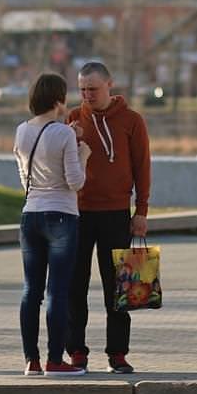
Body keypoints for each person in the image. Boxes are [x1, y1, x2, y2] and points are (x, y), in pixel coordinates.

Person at [64, 62, 151, 374]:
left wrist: (141, 211)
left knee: (118, 286)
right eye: (83, 89)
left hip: (116, 214)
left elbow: (142, 168)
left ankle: (118, 353)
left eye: (93, 89)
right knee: (75, 284)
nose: (87, 95)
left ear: (109, 86)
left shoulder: (131, 121)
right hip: (78, 213)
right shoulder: (73, 118)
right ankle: (76, 350)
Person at [14, 73, 92, 377]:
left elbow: (25, 179)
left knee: (30, 290)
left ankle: (31, 360)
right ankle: (55, 360)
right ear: (58, 100)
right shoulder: (64, 135)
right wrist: (82, 154)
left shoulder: (21, 131)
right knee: (57, 290)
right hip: (61, 216)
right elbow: (76, 182)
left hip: (30, 214)